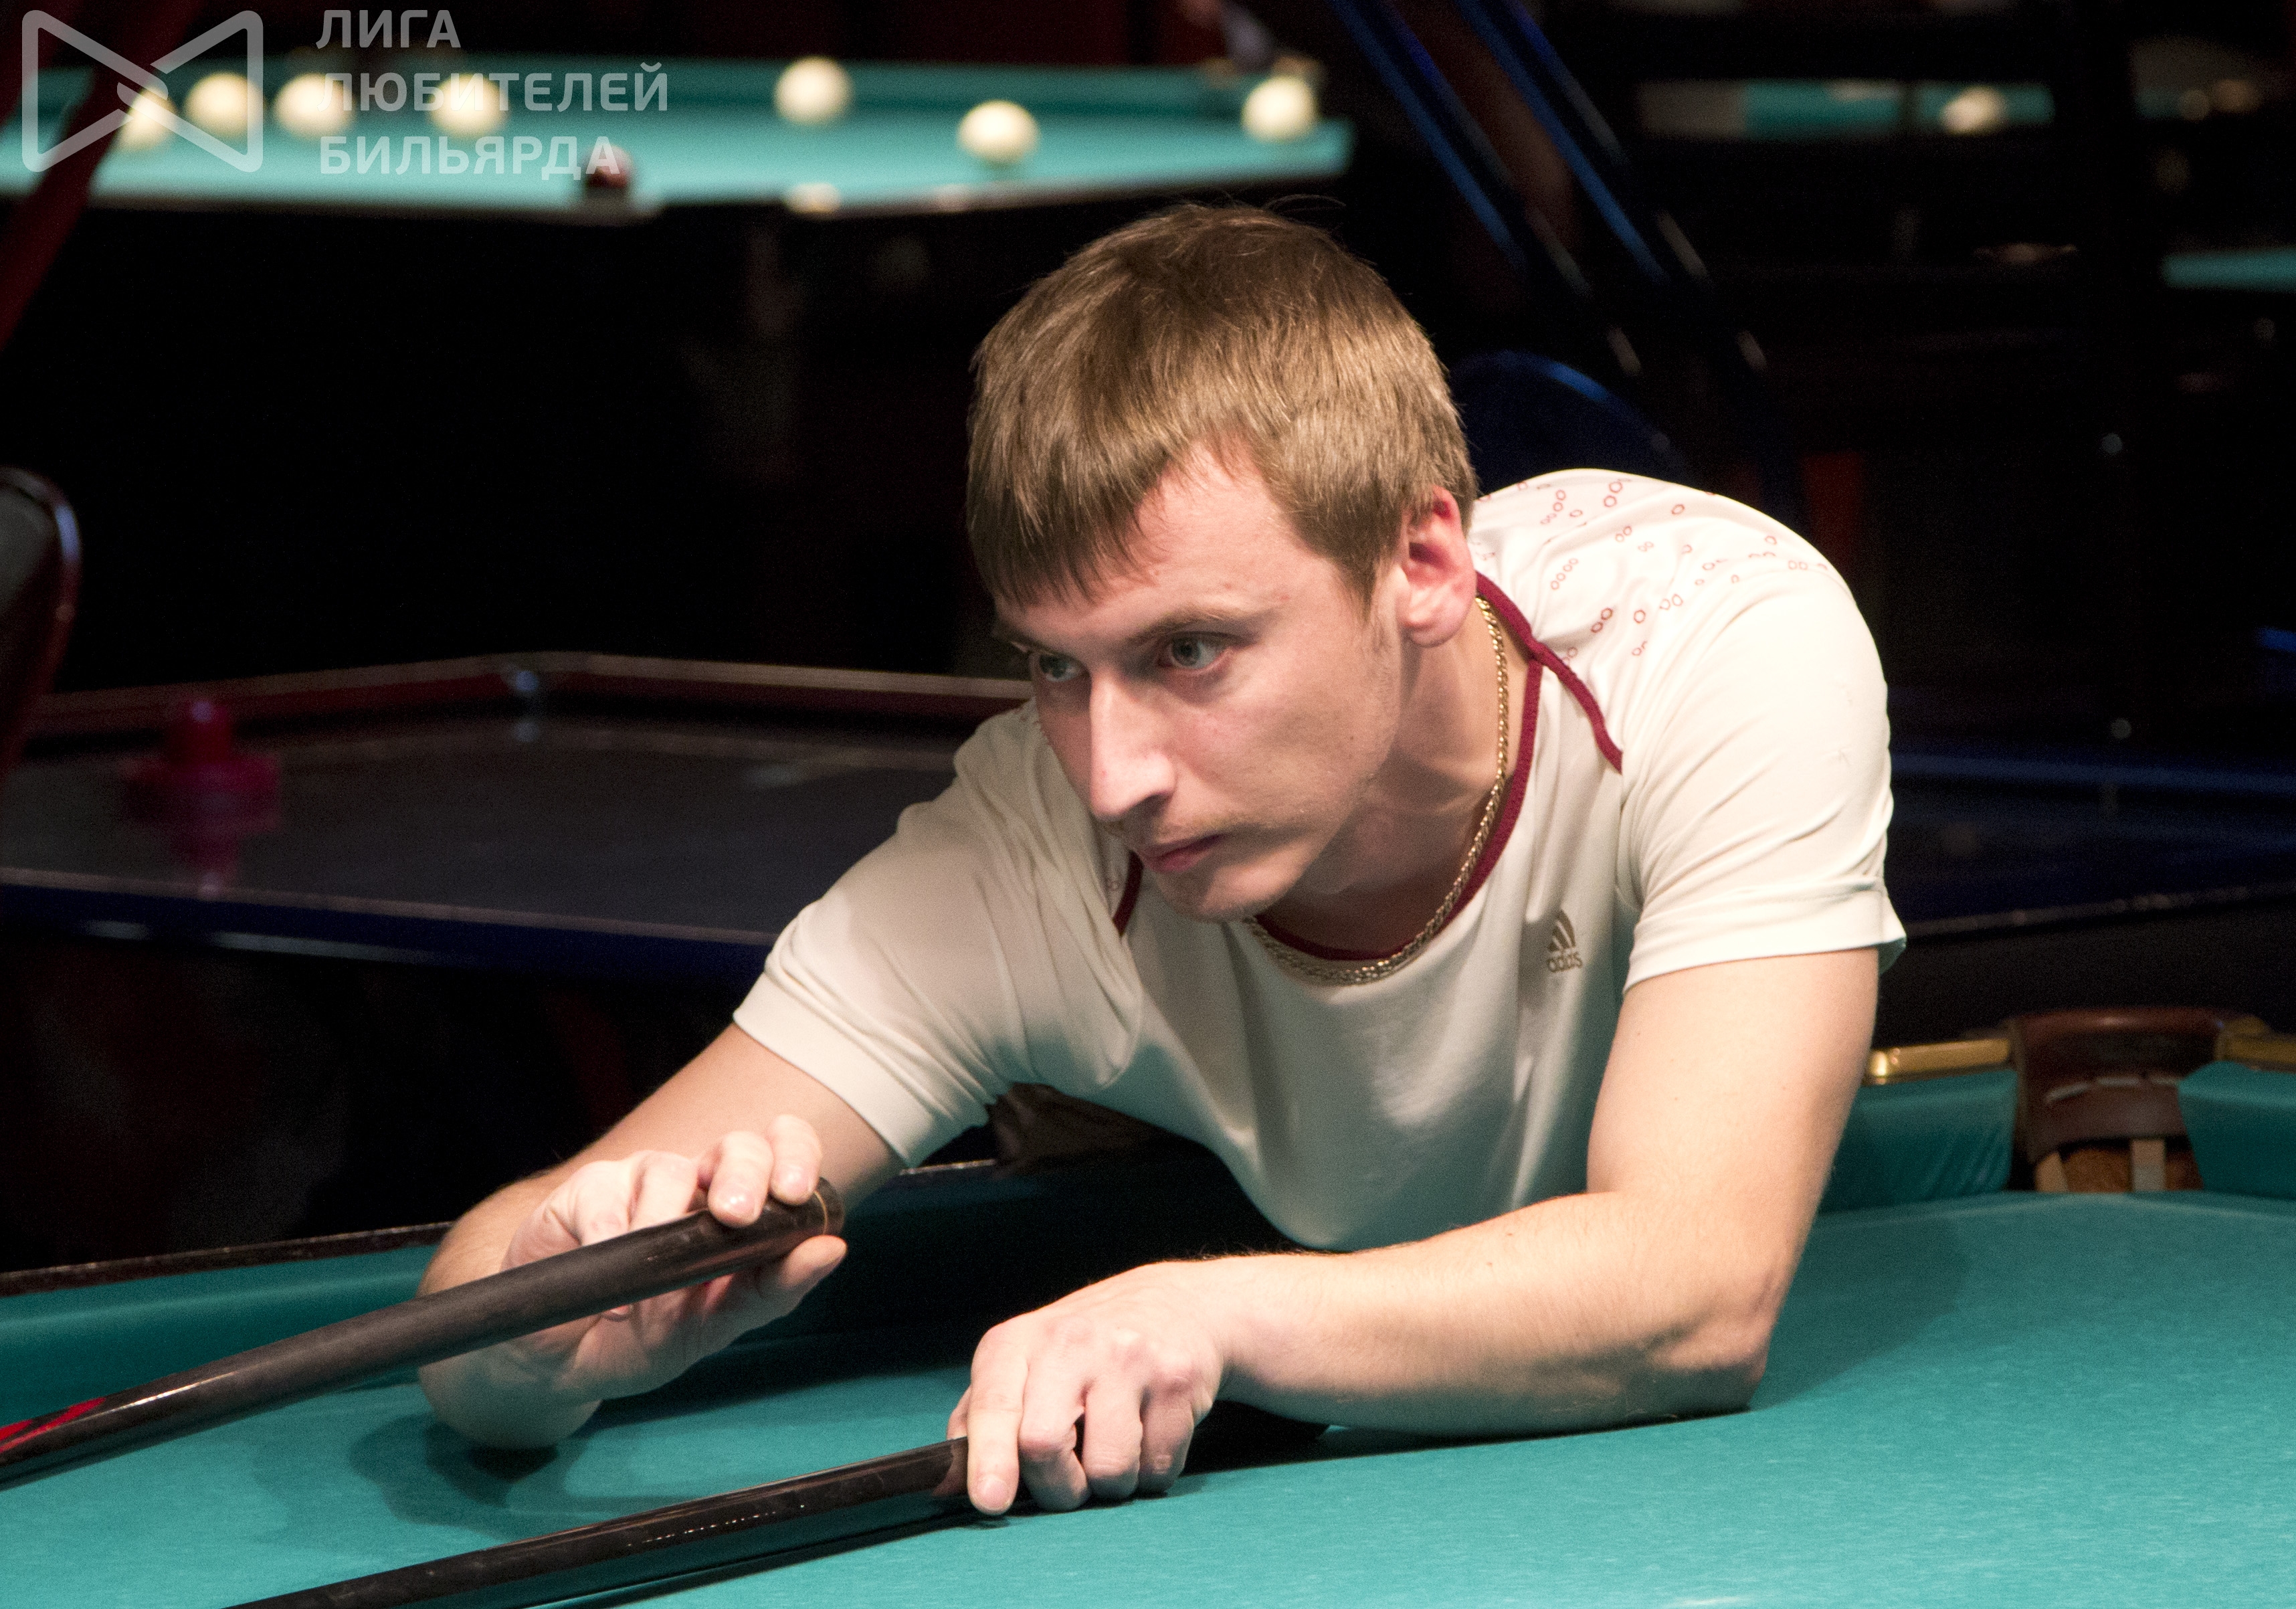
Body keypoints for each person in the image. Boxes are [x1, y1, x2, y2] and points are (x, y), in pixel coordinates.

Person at [417, 205, 1901, 1517]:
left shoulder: (1726, 647)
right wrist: (543, 1339)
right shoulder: (1024, 840)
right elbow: (474, 1310)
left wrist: (1208, 1317)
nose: (1112, 775)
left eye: (1189, 650)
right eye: (1056, 668)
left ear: (1424, 565)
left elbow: (1696, 1289)